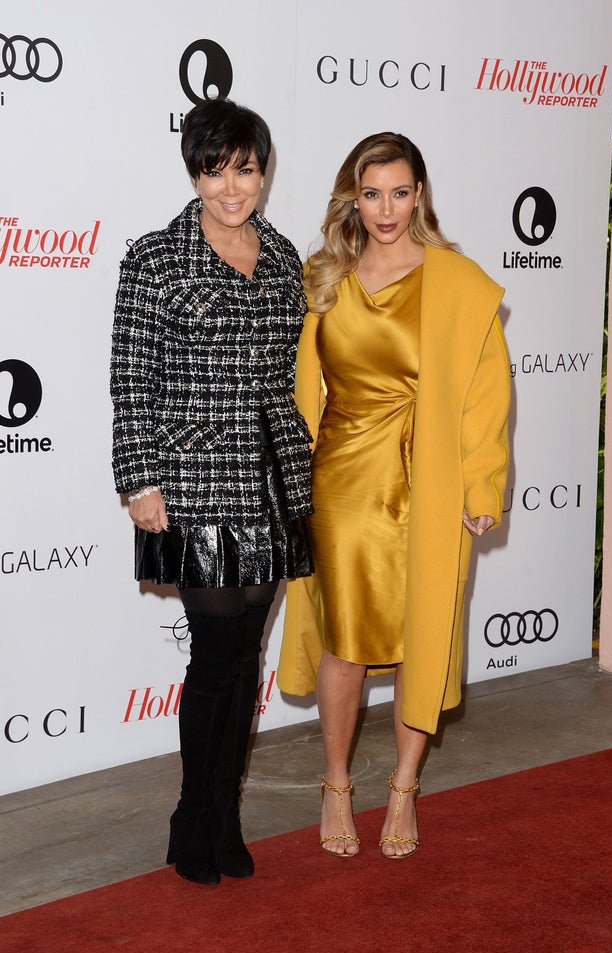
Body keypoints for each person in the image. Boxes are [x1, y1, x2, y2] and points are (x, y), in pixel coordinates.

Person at [278, 132, 510, 859]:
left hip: (430, 482)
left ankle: (405, 787)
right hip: (342, 483)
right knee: (345, 642)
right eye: (371, 192)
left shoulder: (457, 282)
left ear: (420, 195)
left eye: (400, 192)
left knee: (423, 636)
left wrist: (483, 484)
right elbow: (300, 393)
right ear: (354, 196)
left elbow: (485, 397)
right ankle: (338, 783)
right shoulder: (325, 276)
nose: (385, 208)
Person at [110, 99, 313, 886]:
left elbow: (301, 371)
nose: (232, 187)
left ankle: (224, 813)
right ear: (193, 170)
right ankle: (194, 813)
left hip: (271, 478)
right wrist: (139, 480)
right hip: (192, 478)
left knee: (246, 652)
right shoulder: (156, 258)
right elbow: (133, 378)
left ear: (264, 170)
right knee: (215, 653)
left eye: (247, 169)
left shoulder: (286, 256)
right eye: (215, 169)